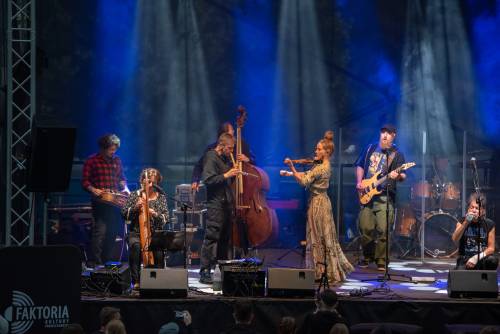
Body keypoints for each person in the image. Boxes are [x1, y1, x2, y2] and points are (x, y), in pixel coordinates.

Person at [283, 130, 353, 283]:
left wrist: (292, 167)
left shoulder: (322, 168)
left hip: (318, 205)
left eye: (319, 149)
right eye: (316, 148)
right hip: (322, 201)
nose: (316, 151)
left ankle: (323, 271)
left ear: (327, 152)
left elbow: (304, 182)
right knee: (323, 237)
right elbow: (309, 174)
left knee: (318, 237)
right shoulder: (322, 165)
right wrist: (289, 174)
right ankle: (322, 270)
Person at [354, 124, 406, 270]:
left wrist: (398, 176)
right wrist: (359, 182)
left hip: (384, 196)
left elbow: (403, 175)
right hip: (367, 193)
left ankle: (382, 260)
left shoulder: (397, 153)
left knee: (383, 230)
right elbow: (359, 165)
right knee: (365, 228)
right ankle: (367, 256)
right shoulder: (370, 148)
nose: (385, 135)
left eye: (388, 133)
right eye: (383, 132)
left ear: (393, 135)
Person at [198, 133, 240, 284]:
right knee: (211, 237)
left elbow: (227, 181)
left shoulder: (225, 159)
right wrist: (227, 174)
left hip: (226, 204)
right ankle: (204, 272)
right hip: (215, 205)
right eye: (230, 148)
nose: (231, 151)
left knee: (224, 239)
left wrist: (233, 173)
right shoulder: (211, 157)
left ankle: (222, 270)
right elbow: (208, 180)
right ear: (221, 145)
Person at [82, 134, 129, 266]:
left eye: (115, 149)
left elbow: (122, 177)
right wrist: (93, 189)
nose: (113, 152)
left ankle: (106, 261)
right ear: (103, 148)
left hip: (115, 201)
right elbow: (85, 182)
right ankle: (96, 262)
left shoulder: (117, 160)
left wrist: (123, 185)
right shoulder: (92, 161)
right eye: (111, 149)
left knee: (113, 232)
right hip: (100, 201)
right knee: (100, 231)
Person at [121, 168, 169, 289]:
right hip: (136, 232)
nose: (148, 184)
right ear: (142, 181)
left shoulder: (161, 197)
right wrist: (135, 208)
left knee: (158, 247)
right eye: (146, 181)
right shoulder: (134, 195)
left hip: (155, 233)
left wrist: (155, 214)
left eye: (152, 182)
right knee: (136, 246)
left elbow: (165, 218)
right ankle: (136, 281)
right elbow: (124, 214)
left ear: (157, 183)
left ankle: (157, 280)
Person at [191, 122, 254, 192]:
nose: (234, 132)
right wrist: (195, 180)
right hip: (219, 190)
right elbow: (202, 169)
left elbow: (254, 163)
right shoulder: (211, 152)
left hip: (237, 188)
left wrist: (247, 159)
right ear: (224, 135)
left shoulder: (240, 145)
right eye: (232, 130)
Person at [452, 193, 498, 270]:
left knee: (493, 260)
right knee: (460, 276)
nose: (473, 210)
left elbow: (491, 248)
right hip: (465, 258)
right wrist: (466, 223)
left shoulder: (489, 224)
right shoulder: (462, 221)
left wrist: (476, 258)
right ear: (468, 209)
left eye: (477, 208)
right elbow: (455, 239)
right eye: (471, 207)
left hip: (481, 258)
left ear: (483, 211)